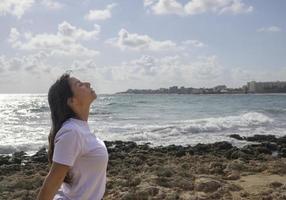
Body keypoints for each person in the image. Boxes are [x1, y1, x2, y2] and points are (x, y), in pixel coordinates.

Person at [37, 73, 108, 200]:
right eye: (80, 84)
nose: (88, 84)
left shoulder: (79, 128)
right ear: (71, 101)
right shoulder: (72, 132)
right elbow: (52, 183)